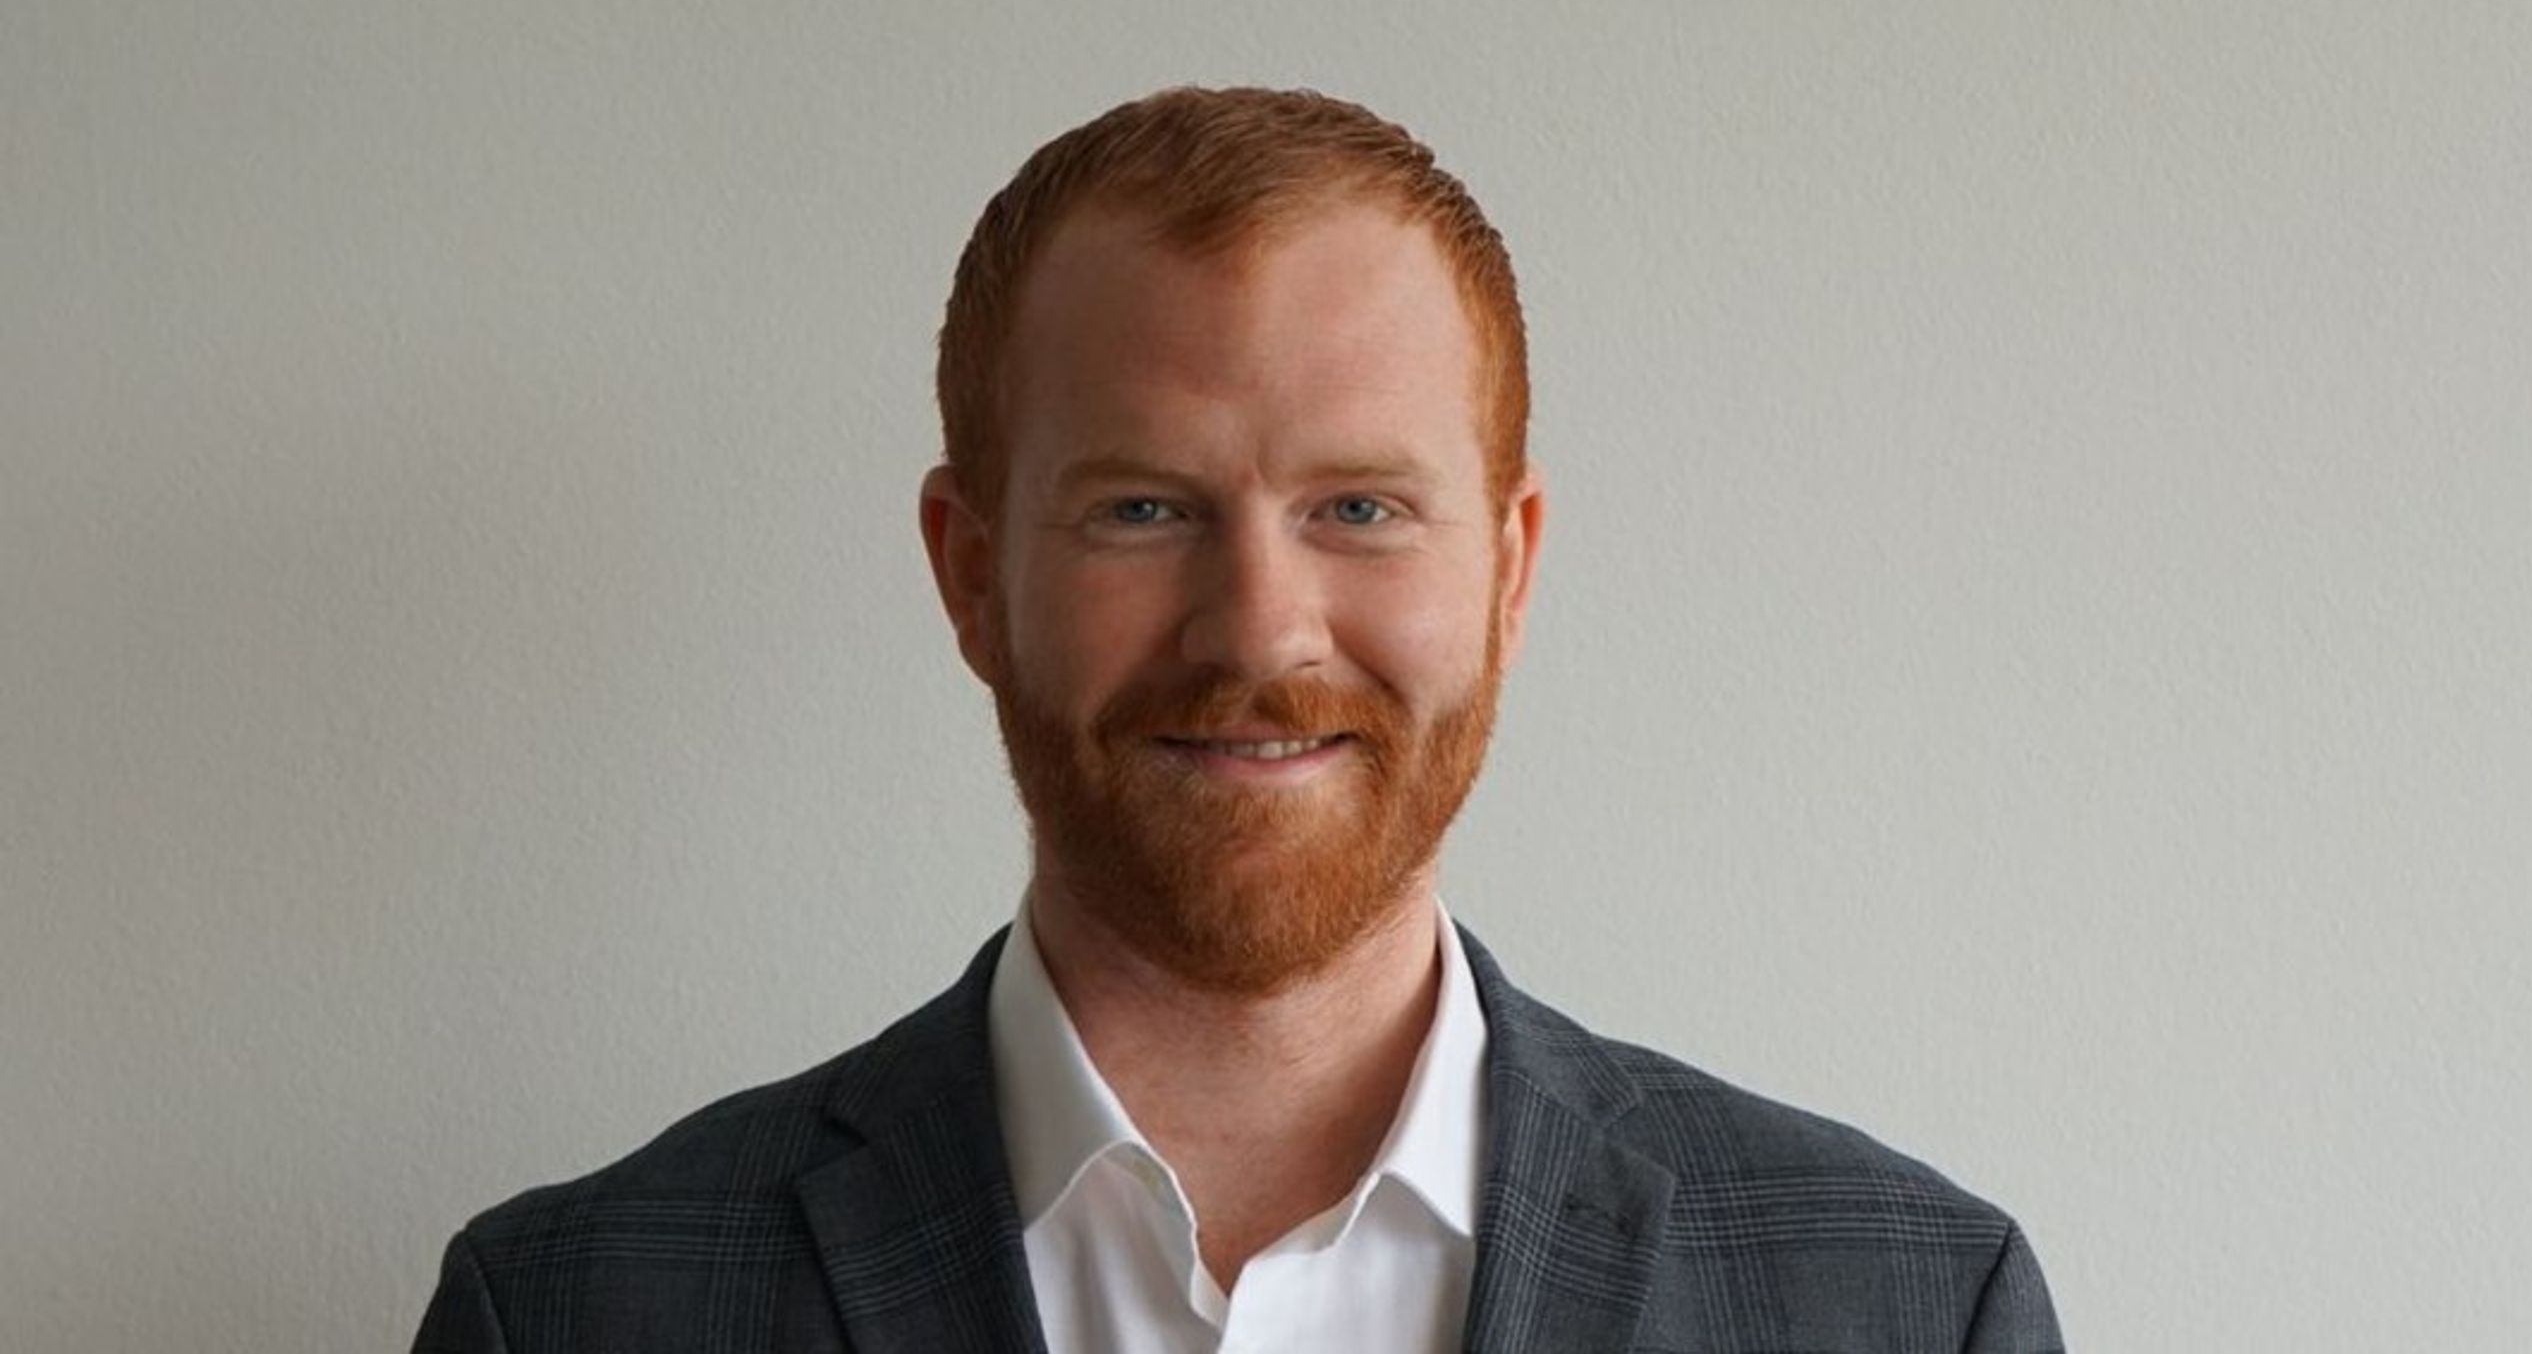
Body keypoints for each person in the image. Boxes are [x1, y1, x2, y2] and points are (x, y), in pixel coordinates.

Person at [413, 85, 2064, 1353]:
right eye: (1142, 509)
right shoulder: (565, 1314)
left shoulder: (1912, 1310)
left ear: (1508, 570)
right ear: (971, 571)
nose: (1261, 628)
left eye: (1359, 508)